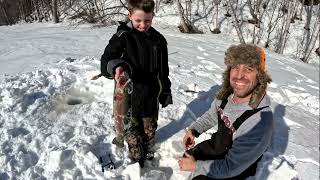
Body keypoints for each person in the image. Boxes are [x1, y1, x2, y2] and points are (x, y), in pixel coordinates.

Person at [178, 44, 273, 179]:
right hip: (219, 145)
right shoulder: (226, 95)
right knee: (187, 157)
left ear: (260, 76)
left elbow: (231, 167)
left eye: (249, 68)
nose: (239, 75)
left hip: (237, 166)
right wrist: (194, 130)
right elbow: (212, 115)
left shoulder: (259, 120)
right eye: (235, 67)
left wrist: (196, 166)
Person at [100, 0, 172, 166]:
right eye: (138, 20)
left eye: (147, 20)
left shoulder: (159, 40)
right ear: (130, 15)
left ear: (153, 16)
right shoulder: (123, 37)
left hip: (151, 98)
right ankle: (135, 157)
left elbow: (163, 71)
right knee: (133, 136)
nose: (142, 25)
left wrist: (166, 91)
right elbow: (106, 61)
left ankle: (148, 153)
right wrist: (116, 67)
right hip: (128, 100)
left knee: (149, 133)